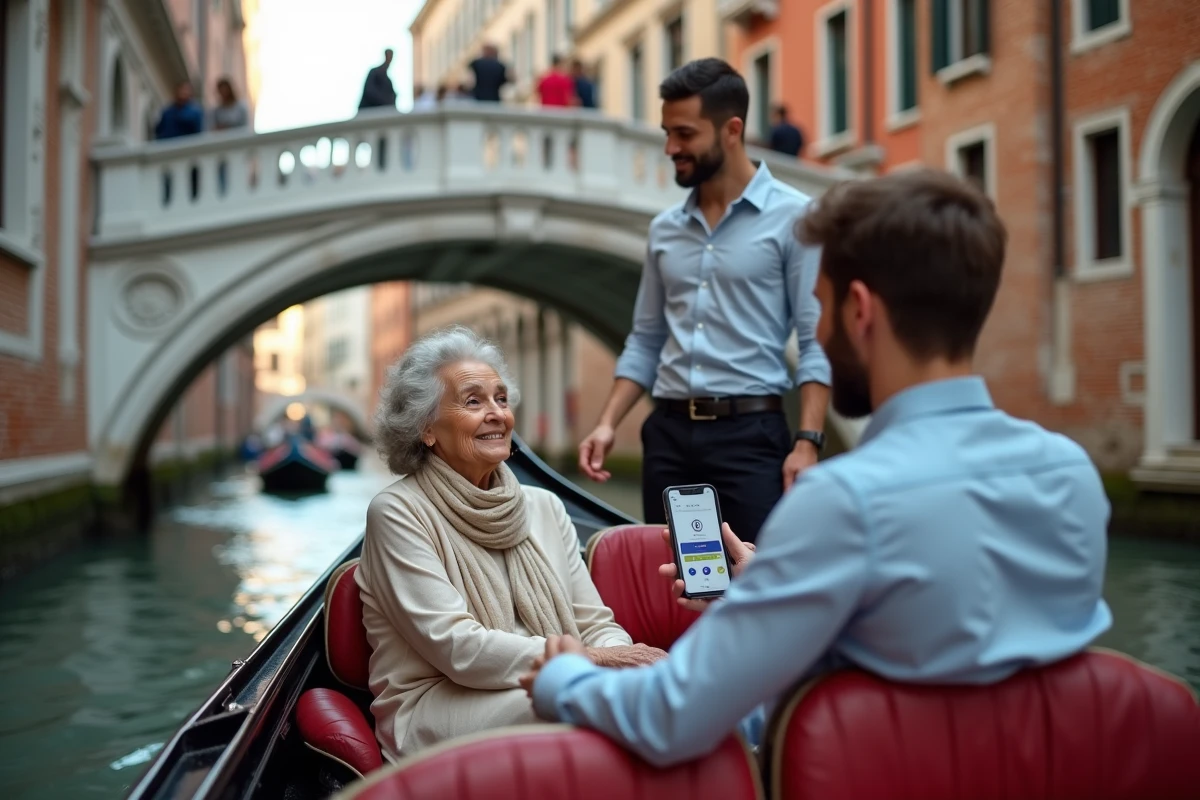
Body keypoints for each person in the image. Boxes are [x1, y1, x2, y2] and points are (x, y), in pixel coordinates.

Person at [523, 168, 1112, 767]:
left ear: (859, 311)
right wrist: (769, 586)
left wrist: (562, 677)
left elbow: (672, 716)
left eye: (819, 309)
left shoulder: (842, 502)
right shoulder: (1070, 475)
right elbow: (947, 653)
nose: (818, 335)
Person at [359, 326, 666, 761]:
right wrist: (597, 662)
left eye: (501, 399)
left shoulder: (544, 506)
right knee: (583, 701)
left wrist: (624, 658)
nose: (497, 414)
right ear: (426, 428)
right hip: (436, 703)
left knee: (638, 693)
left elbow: (593, 621)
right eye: (473, 401)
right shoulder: (396, 512)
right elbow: (457, 648)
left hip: (556, 676)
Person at [577, 58, 830, 544]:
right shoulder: (664, 230)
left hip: (751, 439)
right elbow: (646, 339)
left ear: (731, 130)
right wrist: (608, 423)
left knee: (752, 585)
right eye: (667, 133)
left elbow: (815, 339)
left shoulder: (797, 218)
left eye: (685, 134)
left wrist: (809, 441)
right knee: (676, 587)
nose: (671, 148)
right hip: (668, 436)